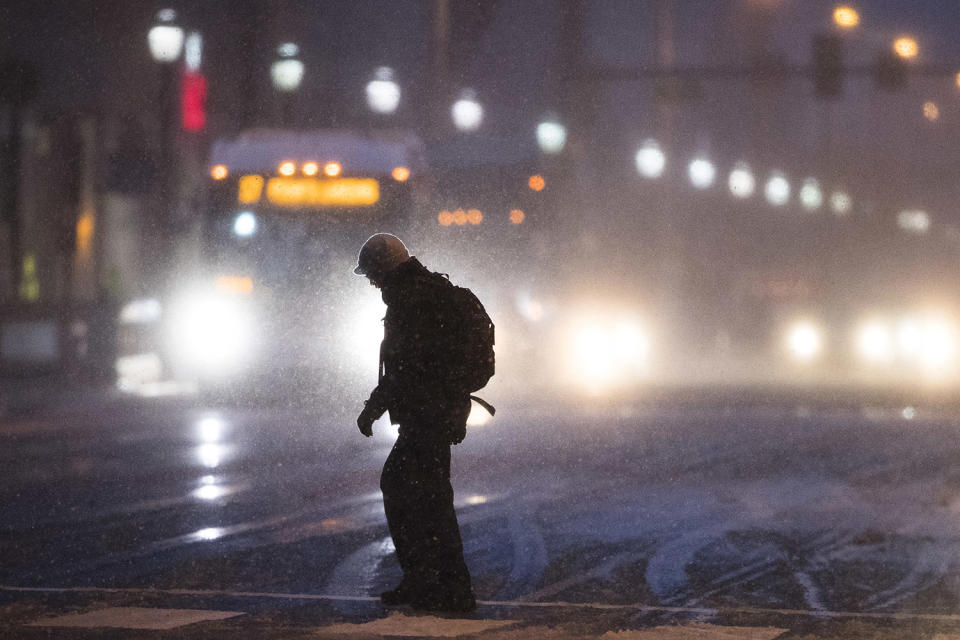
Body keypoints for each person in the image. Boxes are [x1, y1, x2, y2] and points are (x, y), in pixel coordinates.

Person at [354, 233, 478, 613]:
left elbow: (404, 369)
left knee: (416, 494)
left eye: (373, 274)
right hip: (436, 411)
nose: (372, 282)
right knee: (428, 497)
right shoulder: (422, 291)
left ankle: (441, 586)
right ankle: (436, 582)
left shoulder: (411, 300)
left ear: (384, 268)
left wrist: (373, 408)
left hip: (429, 413)